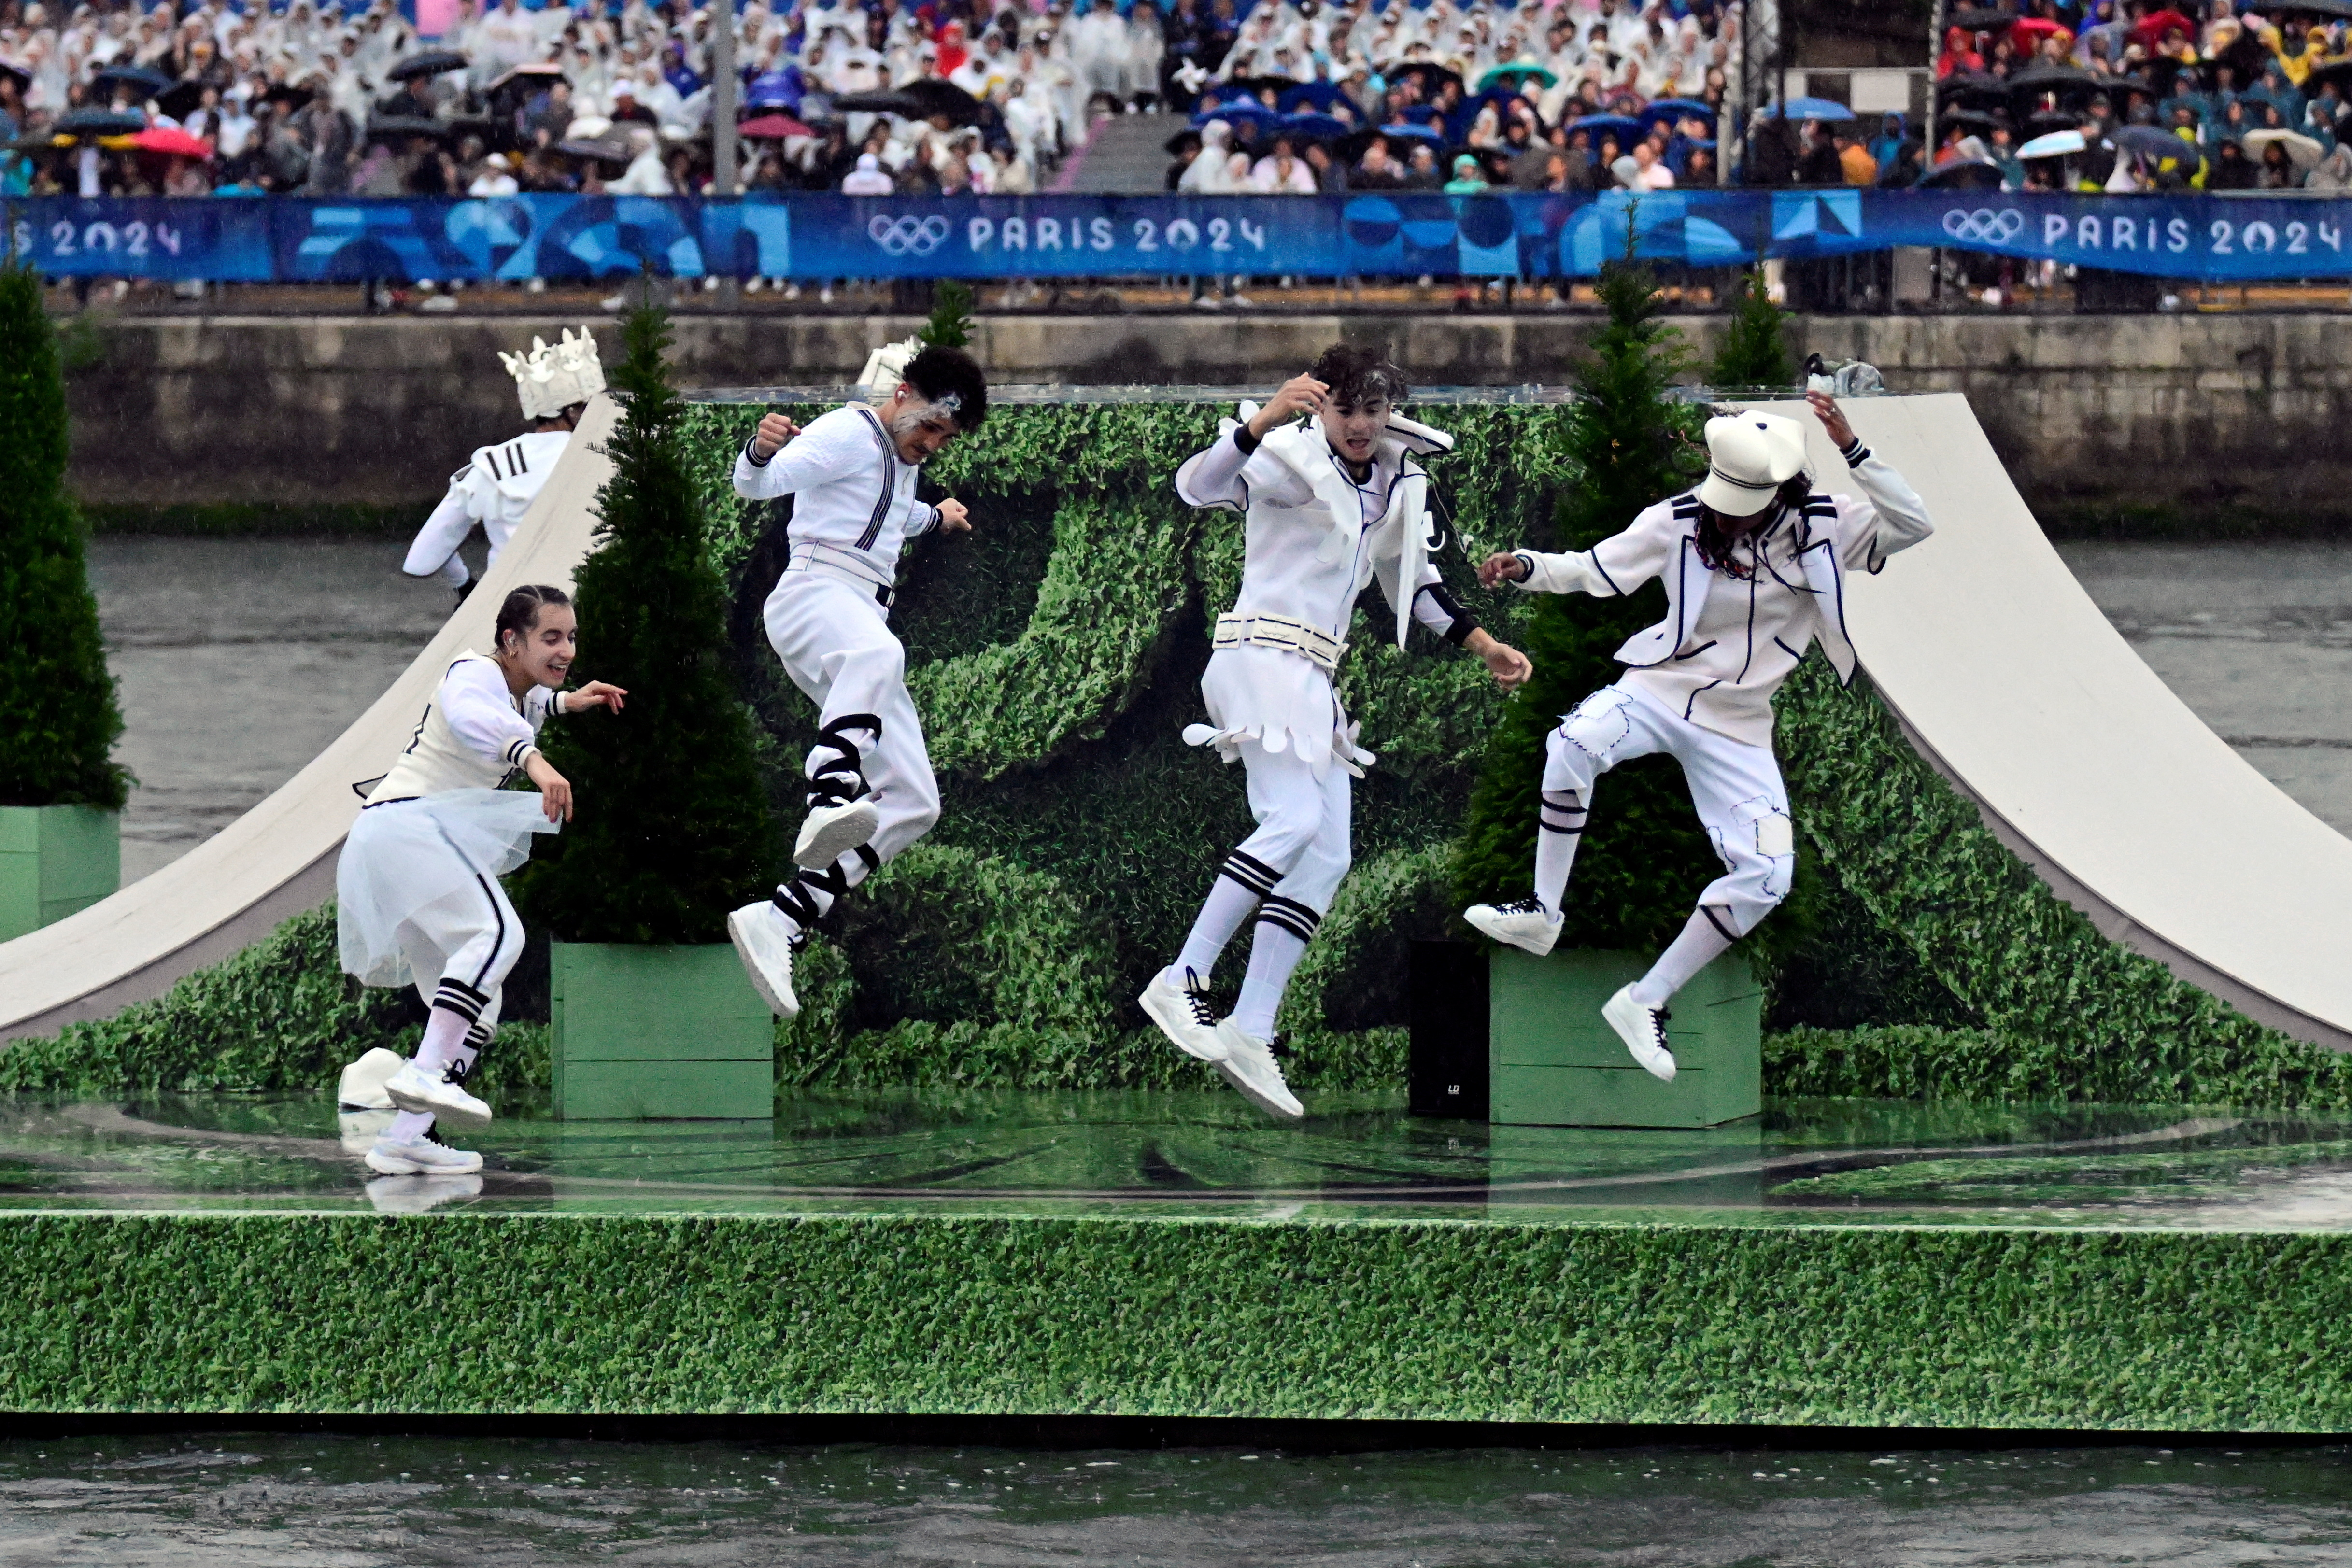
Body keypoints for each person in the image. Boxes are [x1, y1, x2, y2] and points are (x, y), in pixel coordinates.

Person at [1463, 394, 1931, 1082]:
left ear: (1777, 492)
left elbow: (1913, 522)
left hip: (1739, 726)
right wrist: (1528, 565)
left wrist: (1852, 446)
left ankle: (1643, 1000)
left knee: (1769, 876)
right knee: (1571, 743)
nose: (1721, 510)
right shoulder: (1675, 519)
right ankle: (1541, 910)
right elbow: (1595, 569)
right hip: (1658, 689)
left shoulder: (1825, 526)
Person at [1143, 346, 1532, 1119]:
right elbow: (1196, 485)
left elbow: (1415, 584)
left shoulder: (1392, 483)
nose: (1359, 424)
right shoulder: (1285, 457)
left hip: (1312, 679)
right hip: (1257, 654)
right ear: (1320, 406)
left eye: (1374, 408)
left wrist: (1483, 644)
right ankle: (1182, 977)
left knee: (1326, 853)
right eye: (1345, 408)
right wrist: (1261, 419)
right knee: (1289, 821)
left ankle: (1252, 1026)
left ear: (1392, 410)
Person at [724, 346, 989, 1019]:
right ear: (901, 394)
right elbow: (755, 486)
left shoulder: (901, 460)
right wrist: (758, 450)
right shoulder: (847, 432)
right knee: (880, 655)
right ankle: (828, 794)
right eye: (930, 426)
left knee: (915, 801)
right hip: (814, 595)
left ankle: (782, 917)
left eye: (944, 438)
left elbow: (890, 514)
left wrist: (939, 517)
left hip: (856, 614)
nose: (932, 444)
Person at [335, 584, 626, 1177]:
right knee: (496, 937)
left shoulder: (517, 691)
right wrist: (536, 761)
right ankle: (418, 1077)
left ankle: (407, 1138)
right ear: (509, 642)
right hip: (407, 826)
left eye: (571, 637)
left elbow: (523, 707)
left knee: (481, 1002)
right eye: (550, 637)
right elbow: (475, 717)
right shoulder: (471, 671)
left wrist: (569, 703)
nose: (566, 649)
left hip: (399, 839)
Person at [403, 328, 604, 602]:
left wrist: (465, 586)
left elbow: (423, 558)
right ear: (569, 411)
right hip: (594, 607)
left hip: (512, 609)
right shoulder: (607, 458)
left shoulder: (491, 467)